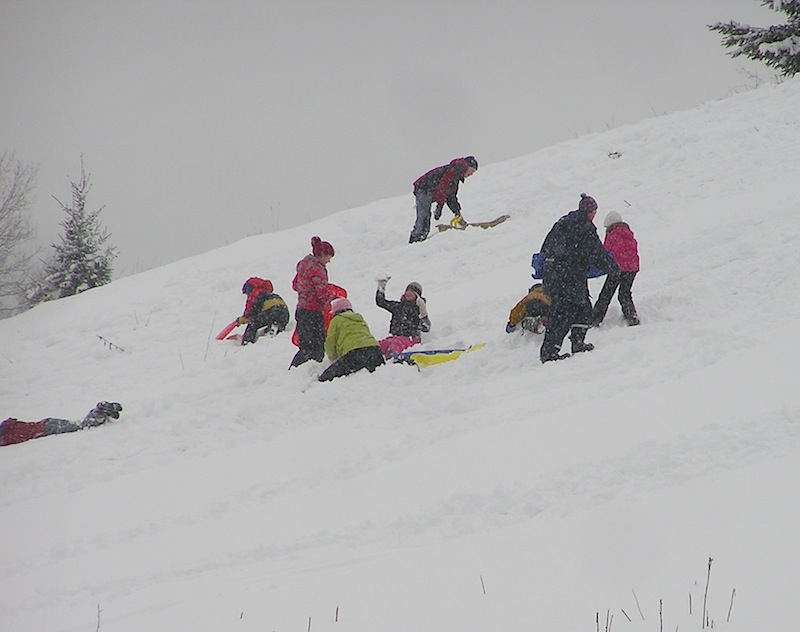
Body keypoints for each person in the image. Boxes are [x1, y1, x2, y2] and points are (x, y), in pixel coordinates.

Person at [538, 194, 618, 363]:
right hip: (569, 276)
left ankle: (578, 342)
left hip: (554, 274)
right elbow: (597, 252)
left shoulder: (562, 222)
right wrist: (613, 267)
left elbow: (545, 246)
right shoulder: (585, 227)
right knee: (563, 313)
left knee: (583, 309)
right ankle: (549, 353)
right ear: (591, 212)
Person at [409, 156, 478, 243]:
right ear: (466, 167)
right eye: (471, 171)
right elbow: (442, 188)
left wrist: (457, 213)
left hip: (430, 191)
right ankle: (416, 238)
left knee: (425, 216)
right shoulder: (453, 171)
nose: (471, 174)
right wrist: (440, 206)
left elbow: (451, 196)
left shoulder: (456, 175)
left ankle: (421, 237)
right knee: (424, 215)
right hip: (424, 189)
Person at [290, 236, 335, 367]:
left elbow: (295, 285)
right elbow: (321, 293)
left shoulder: (303, 264)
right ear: (322, 255)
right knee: (317, 346)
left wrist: (305, 291)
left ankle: (294, 370)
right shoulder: (318, 269)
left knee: (305, 345)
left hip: (301, 310)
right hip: (313, 311)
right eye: (329, 257)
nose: (329, 261)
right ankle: (312, 372)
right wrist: (332, 301)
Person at [592, 211, 640, 326]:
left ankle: (595, 319)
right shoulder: (628, 233)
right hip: (632, 268)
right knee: (624, 293)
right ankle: (631, 316)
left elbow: (605, 252)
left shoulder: (612, 234)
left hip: (617, 268)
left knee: (606, 294)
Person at [318, 298, 385, 382]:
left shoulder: (336, 320)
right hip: (375, 352)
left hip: (355, 353)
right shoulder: (359, 318)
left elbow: (330, 343)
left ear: (335, 312)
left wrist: (334, 359)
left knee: (325, 378)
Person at [1, 402, 123, 447]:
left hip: (47, 429)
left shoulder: (3, 436)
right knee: (79, 425)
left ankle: (100, 413)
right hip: (46, 423)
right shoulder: (6, 429)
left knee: (80, 427)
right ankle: (102, 410)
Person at [375, 277, 431, 357]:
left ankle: (393, 357)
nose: (409, 293)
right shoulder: (398, 307)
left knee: (397, 343)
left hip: (411, 339)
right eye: (407, 291)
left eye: (412, 291)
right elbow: (380, 302)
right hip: (395, 337)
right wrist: (382, 286)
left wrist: (423, 312)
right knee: (381, 344)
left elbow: (426, 327)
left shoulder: (418, 308)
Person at [238, 277, 290, 344]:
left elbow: (252, 309)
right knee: (276, 322)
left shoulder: (256, 293)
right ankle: (275, 327)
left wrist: (244, 318)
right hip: (284, 312)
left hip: (272, 311)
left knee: (253, 323)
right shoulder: (269, 294)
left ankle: (247, 342)